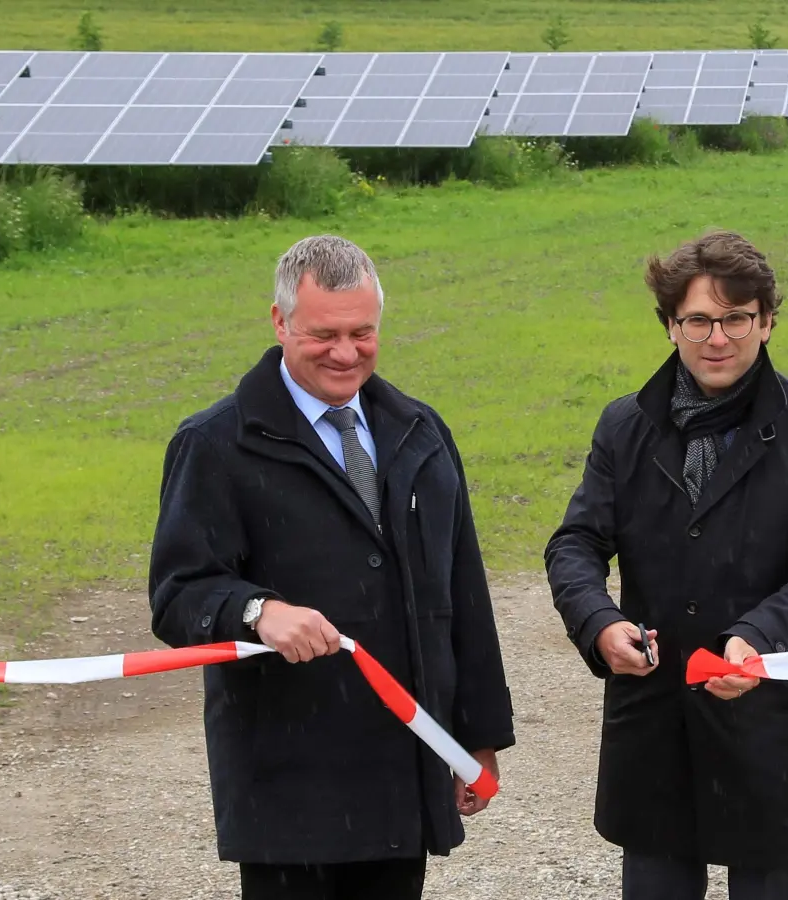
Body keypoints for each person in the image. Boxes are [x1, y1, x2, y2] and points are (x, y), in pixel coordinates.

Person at [147, 234, 515, 900]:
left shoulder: (421, 434)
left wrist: (476, 737)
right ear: (280, 322)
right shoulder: (215, 445)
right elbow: (177, 595)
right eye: (324, 335)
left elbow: (462, 592)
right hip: (290, 782)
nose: (346, 353)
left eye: (362, 332)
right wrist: (259, 612)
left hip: (402, 769)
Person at [543, 230, 788, 900]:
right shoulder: (623, 426)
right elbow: (574, 543)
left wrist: (762, 634)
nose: (717, 338)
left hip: (771, 716)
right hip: (655, 720)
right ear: (670, 327)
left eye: (736, 319)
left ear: (767, 322)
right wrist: (599, 623)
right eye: (697, 320)